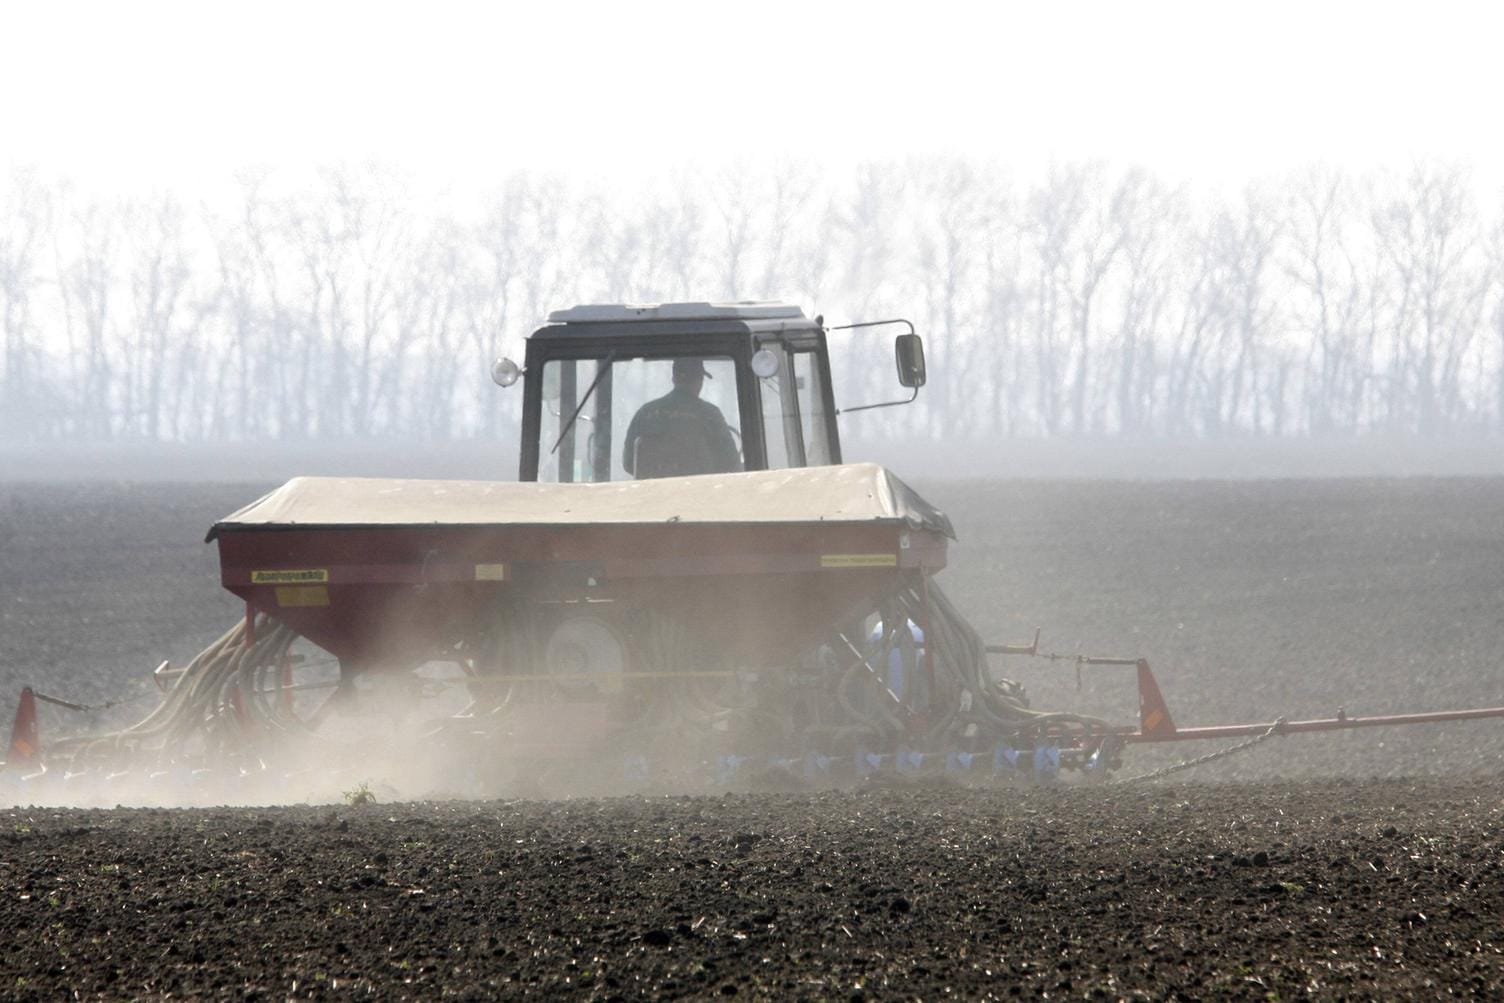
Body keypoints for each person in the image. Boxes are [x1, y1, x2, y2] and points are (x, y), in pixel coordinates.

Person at [624, 358, 742, 478]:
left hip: (654, 495)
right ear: (699, 381)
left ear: (674, 379)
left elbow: (629, 463)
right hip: (701, 493)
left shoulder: (645, 413)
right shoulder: (711, 414)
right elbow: (731, 463)